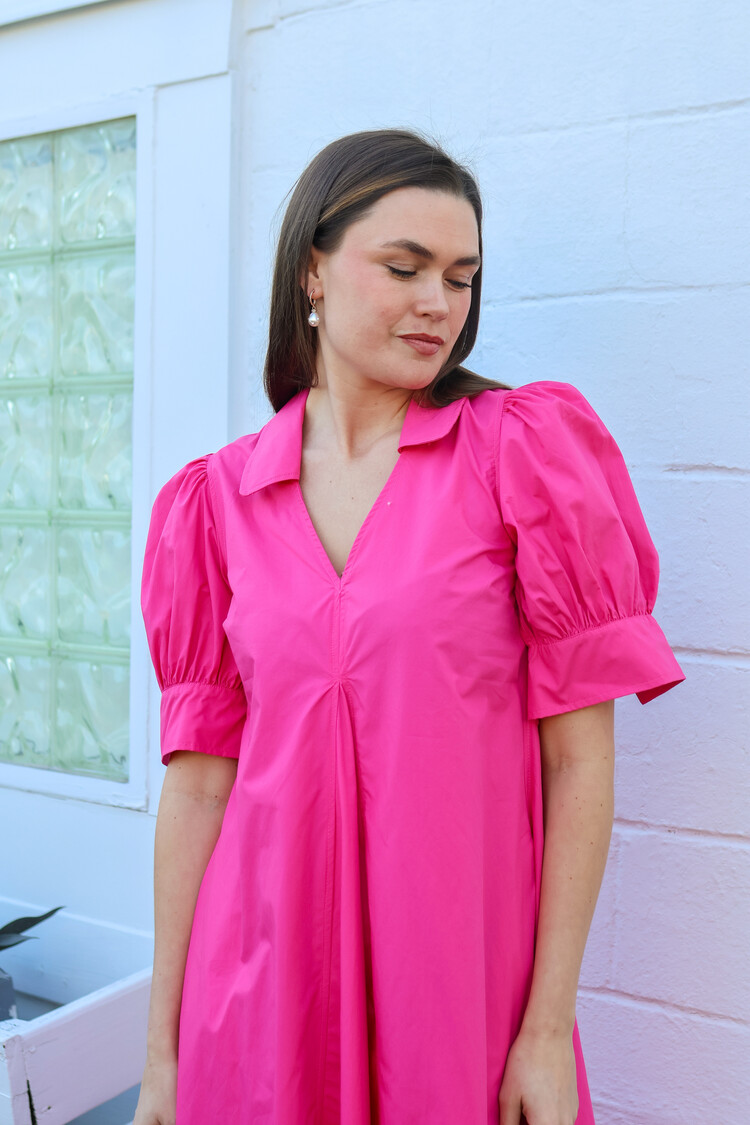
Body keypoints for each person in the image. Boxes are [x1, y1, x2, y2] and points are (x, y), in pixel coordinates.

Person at [134, 129, 685, 1125]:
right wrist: (164, 1056)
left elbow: (579, 763)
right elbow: (201, 788)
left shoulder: (520, 457)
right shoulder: (212, 505)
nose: (440, 302)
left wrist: (546, 1030)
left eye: (462, 278)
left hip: (460, 996)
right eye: (405, 267)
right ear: (312, 269)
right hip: (258, 997)